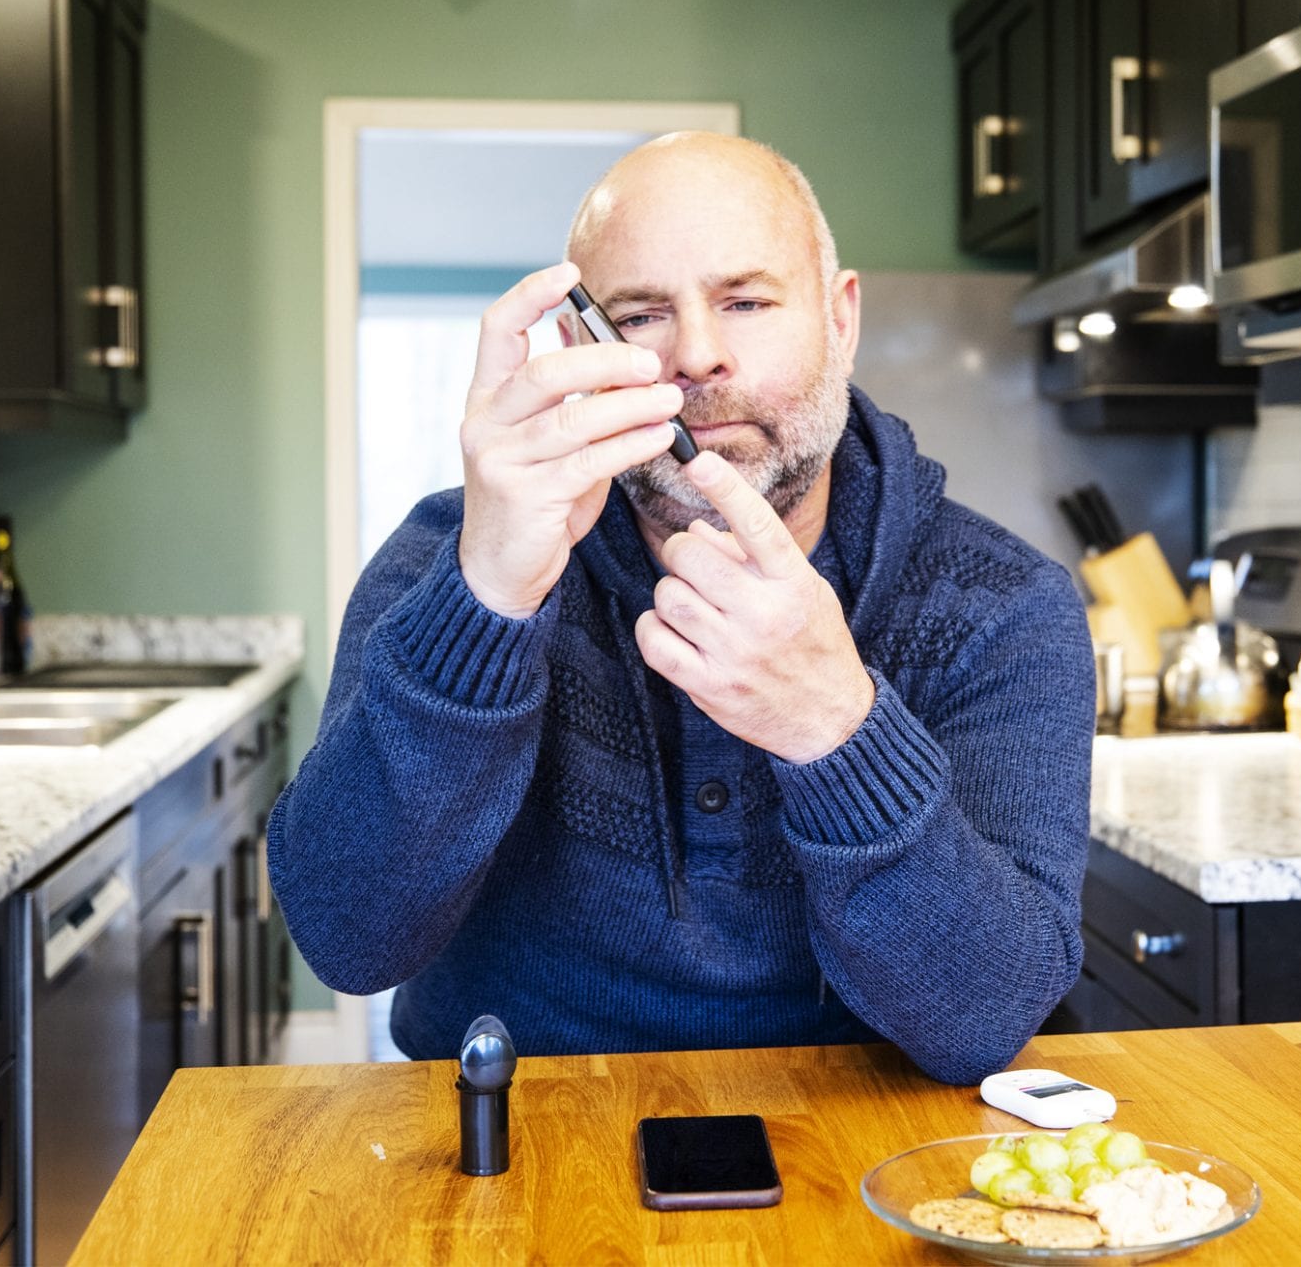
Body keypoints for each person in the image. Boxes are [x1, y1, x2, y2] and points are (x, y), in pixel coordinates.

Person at [268, 132, 1093, 1084]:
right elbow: (348, 941)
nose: (697, 356)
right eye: (641, 315)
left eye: (746, 302)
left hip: (867, 1137)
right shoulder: (448, 557)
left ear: (840, 319)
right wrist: (486, 604)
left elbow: (988, 1019)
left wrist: (834, 726)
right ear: (582, 348)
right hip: (517, 1126)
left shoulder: (1002, 603)